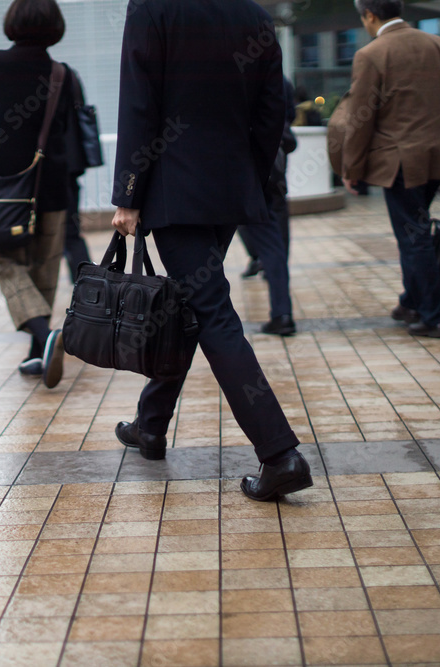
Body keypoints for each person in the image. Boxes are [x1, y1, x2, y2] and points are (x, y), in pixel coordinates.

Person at [109, 0, 310, 501]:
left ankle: (279, 454)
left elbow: (138, 103)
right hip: (230, 188)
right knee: (191, 307)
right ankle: (150, 423)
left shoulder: (151, 8)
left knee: (212, 314)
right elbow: (271, 111)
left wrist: (128, 194)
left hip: (174, 193)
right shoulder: (254, 14)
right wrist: (249, 178)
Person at [341, 0, 440, 340]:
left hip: (399, 161)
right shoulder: (435, 43)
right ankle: (410, 301)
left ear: (369, 15)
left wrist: (351, 167)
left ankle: (434, 315)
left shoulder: (371, 53)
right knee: (416, 233)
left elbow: (360, 117)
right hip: (437, 156)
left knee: (415, 239)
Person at [0, 0, 74, 388]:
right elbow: (69, 129)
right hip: (51, 185)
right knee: (44, 268)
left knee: (6, 260)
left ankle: (44, 340)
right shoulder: (62, 73)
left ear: (12, 22)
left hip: (6, 186)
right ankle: (38, 350)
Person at [238, 76, 297, 336]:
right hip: (269, 174)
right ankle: (283, 314)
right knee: (275, 245)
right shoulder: (277, 79)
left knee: (208, 251)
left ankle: (200, 323)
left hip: (233, 176)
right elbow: (287, 121)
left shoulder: (219, 71)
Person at [62, 68, 93, 282]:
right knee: (71, 231)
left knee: (63, 233)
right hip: (70, 166)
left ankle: (85, 279)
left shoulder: (56, 75)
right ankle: (86, 280)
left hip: (49, 169)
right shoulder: (68, 75)